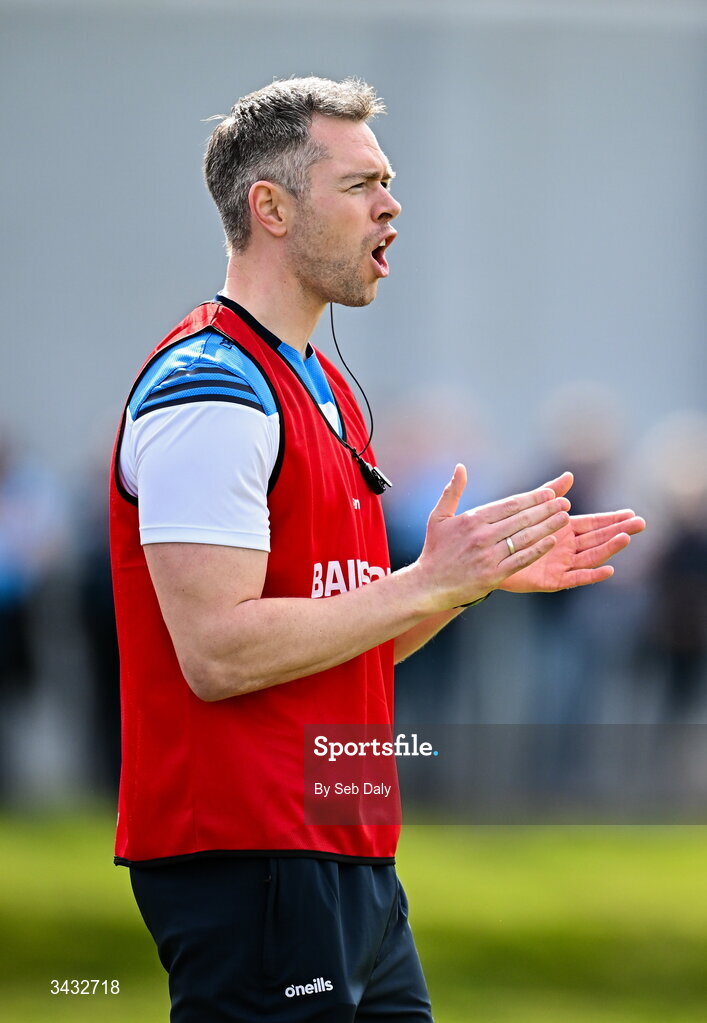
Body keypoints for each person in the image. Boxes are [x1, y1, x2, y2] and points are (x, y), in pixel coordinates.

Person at [109, 77, 645, 1022]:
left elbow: (349, 644)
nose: (392, 204)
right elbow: (218, 653)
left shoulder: (325, 387)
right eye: (360, 184)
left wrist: (458, 588)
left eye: (388, 180)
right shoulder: (210, 392)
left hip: (347, 848)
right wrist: (427, 580)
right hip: (251, 852)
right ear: (269, 208)